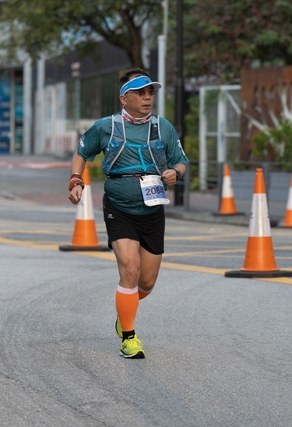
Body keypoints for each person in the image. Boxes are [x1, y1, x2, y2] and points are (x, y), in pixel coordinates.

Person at [68, 68, 188, 359]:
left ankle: (125, 313)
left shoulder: (163, 127)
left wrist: (175, 172)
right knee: (130, 270)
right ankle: (129, 338)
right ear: (124, 98)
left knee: (146, 282)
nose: (147, 98)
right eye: (140, 93)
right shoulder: (106, 126)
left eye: (151, 92)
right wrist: (75, 180)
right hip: (118, 207)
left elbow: (181, 161)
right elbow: (82, 154)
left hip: (153, 208)